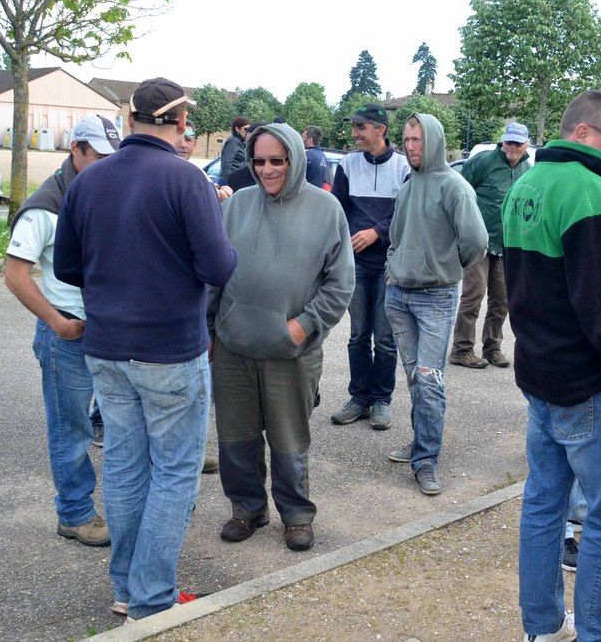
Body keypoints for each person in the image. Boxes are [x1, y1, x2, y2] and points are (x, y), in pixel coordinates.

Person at [54, 78, 238, 620]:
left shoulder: (89, 181)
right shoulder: (186, 181)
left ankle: (127, 587)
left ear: (131, 119)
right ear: (179, 122)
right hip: (169, 350)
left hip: (107, 347)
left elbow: (67, 267)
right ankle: (152, 597)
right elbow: (218, 267)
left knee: (126, 466)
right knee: (174, 472)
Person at [504, 90, 601, 642]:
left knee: (544, 504)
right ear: (583, 134)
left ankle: (542, 627)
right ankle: (600, 633)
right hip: (597, 385)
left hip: (545, 377)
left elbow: (528, 291)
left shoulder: (526, 184)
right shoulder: (589, 192)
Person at [210, 123, 354, 551]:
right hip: (233, 347)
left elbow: (340, 284)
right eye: (258, 161)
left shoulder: (327, 209)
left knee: (289, 440)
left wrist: (304, 325)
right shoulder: (234, 207)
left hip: (292, 350)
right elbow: (214, 275)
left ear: (295, 158)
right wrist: (210, 329)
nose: (267, 169)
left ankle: (296, 514)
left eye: (277, 160)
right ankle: (247, 508)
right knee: (236, 437)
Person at [4, 116, 120, 544]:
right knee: (71, 428)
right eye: (99, 157)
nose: (108, 165)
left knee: (112, 421)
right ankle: (74, 513)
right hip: (68, 331)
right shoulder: (45, 206)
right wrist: (56, 323)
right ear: (76, 149)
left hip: (108, 328)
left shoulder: (102, 192)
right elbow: (16, 275)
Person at [385, 114, 486, 496]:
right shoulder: (410, 185)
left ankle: (426, 460)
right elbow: (395, 235)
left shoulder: (454, 187)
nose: (411, 146)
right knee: (415, 379)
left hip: (435, 299)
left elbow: (475, 241)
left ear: (435, 142)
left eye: (418, 140)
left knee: (429, 380)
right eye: (407, 139)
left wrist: (444, 268)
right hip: (398, 297)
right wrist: (393, 268)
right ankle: (419, 444)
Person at [329, 103, 411, 431]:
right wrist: (346, 239)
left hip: (389, 265)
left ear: (380, 129)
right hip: (357, 265)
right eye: (355, 127)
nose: (354, 134)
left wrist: (377, 232)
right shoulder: (347, 164)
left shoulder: (404, 168)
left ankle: (381, 401)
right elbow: (336, 209)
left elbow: (405, 215)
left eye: (361, 127)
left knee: (386, 338)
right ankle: (359, 398)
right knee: (358, 335)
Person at [449, 121, 532, 370]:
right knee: (473, 295)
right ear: (502, 141)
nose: (512, 147)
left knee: (502, 300)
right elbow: (459, 191)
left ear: (526, 145)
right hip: (478, 243)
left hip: (507, 244)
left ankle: (492, 348)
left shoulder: (527, 168)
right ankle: (461, 349)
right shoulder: (484, 161)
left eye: (517, 143)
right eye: (508, 141)